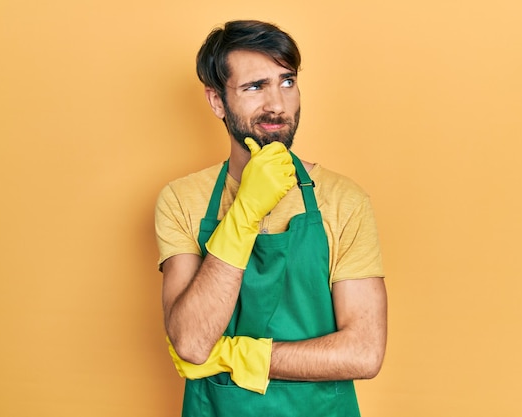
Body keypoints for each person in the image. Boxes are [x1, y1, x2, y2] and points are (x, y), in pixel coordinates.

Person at [155, 19, 387, 416]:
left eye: (287, 82)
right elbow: (192, 343)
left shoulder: (343, 200)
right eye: (255, 86)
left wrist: (236, 355)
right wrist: (245, 210)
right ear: (216, 101)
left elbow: (364, 352)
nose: (277, 104)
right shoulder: (182, 200)